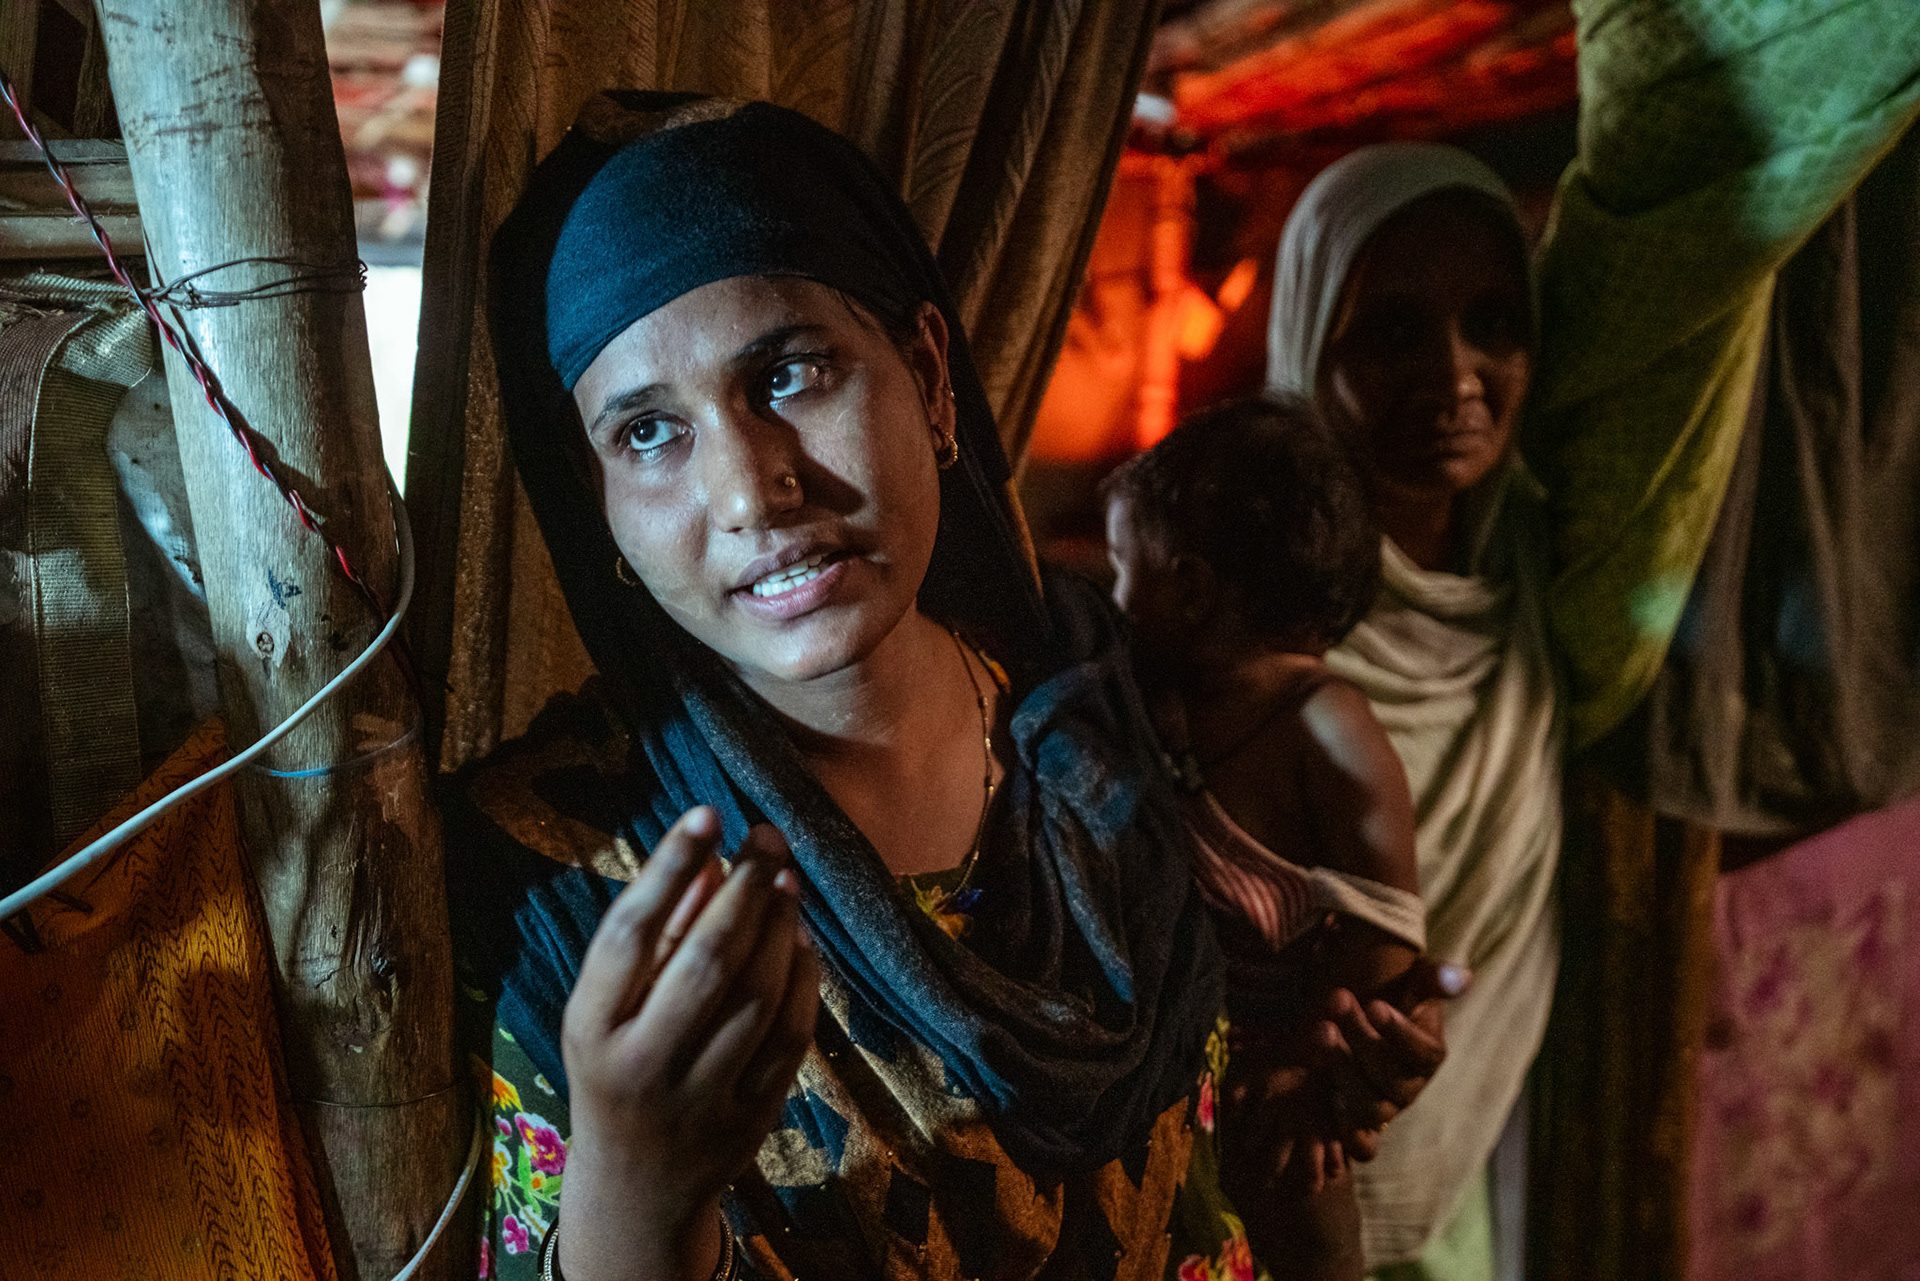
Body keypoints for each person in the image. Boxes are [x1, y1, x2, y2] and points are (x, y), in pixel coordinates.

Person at [444, 91, 1452, 1281]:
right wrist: (635, 1187)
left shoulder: (1109, 716)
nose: (749, 491)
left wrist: (1287, 1082)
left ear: (928, 377)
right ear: (599, 501)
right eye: (650, 434)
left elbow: (1220, 1155)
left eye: (792, 373)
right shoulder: (554, 878)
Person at [1265, 145, 1561, 1278]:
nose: (1456, 375)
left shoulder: (1532, 566)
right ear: (1308, 340)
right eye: (1391, 332)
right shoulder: (1234, 617)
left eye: (1495, 321)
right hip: (1259, 1175)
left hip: (1453, 1171)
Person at [1102, 396, 1431, 1280]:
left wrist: (1308, 1072)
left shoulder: (1326, 725)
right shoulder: (1162, 698)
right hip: (1171, 1078)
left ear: (1195, 591)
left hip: (1279, 1083)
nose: (1115, 599)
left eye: (1124, 570)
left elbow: (1386, 920)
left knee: (1310, 1232)